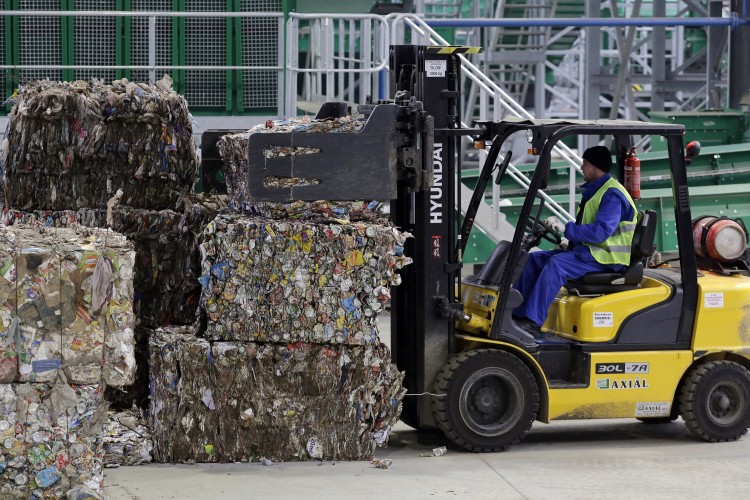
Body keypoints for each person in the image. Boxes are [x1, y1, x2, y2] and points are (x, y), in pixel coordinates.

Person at [512, 145, 638, 329]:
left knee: (556, 265)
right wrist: (568, 241)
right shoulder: (596, 190)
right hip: (589, 252)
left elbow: (601, 231)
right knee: (533, 259)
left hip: (605, 258)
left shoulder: (612, 195)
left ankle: (531, 322)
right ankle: (514, 314)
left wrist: (567, 229)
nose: (581, 167)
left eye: (585, 163)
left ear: (597, 167)